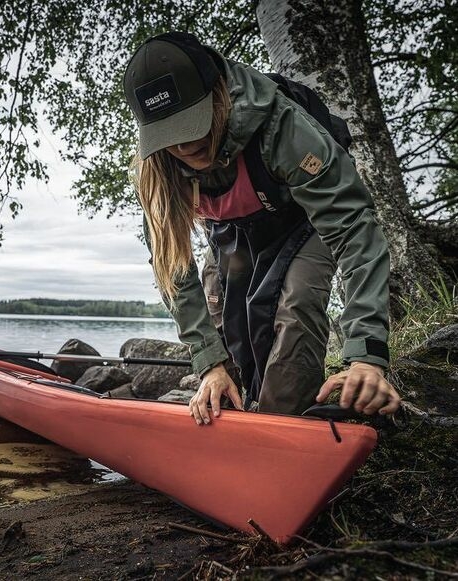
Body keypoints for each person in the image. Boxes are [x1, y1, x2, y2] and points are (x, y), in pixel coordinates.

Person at [122, 31, 401, 424]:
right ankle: (231, 408)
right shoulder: (156, 170)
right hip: (234, 231)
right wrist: (209, 364)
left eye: (191, 124)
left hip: (305, 220)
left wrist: (366, 356)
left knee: (297, 304)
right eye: (170, 134)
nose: (183, 147)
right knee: (220, 309)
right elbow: (174, 269)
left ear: (218, 92)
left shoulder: (281, 126)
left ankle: (285, 425)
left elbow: (355, 230)